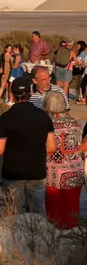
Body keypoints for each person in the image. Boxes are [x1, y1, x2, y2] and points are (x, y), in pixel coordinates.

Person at [0, 77, 57, 215]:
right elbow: (51, 147)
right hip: (36, 171)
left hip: (12, 173)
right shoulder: (43, 116)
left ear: (12, 95)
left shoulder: (5, 117)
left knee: (14, 215)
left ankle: (17, 237)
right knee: (37, 215)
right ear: (30, 94)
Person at [43, 91, 86, 229]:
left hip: (52, 174)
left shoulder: (46, 125)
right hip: (74, 172)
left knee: (53, 213)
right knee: (72, 211)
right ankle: (72, 243)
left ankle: (54, 245)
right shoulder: (75, 123)